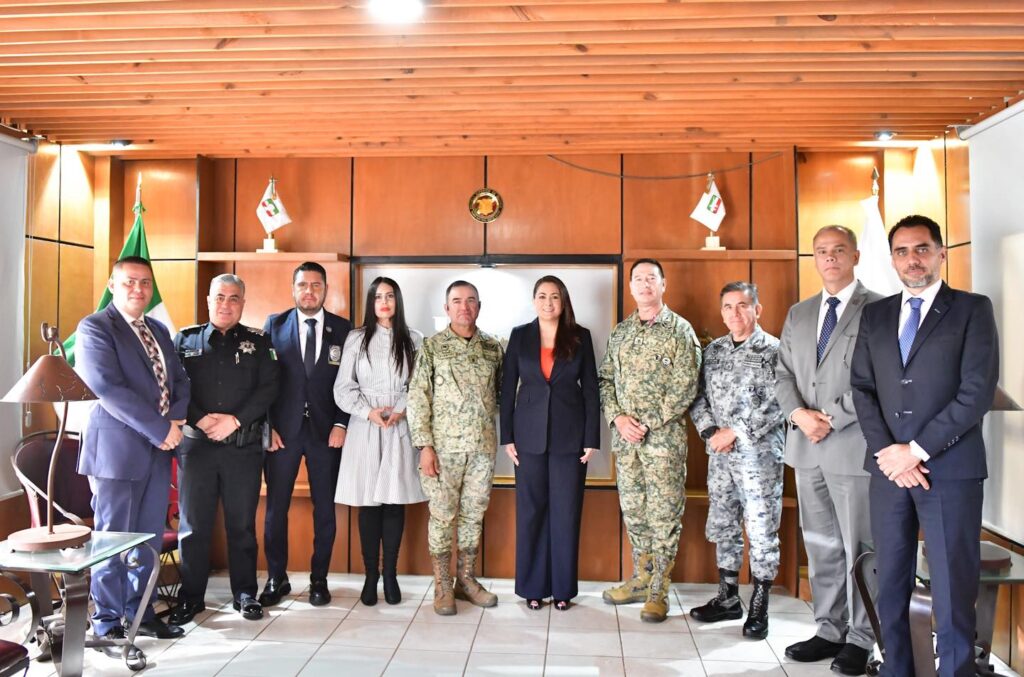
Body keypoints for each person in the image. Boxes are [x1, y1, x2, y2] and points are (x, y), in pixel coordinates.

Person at [852, 215, 999, 677]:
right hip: (888, 472)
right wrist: (889, 453)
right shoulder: (875, 315)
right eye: (901, 251)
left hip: (950, 470)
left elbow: (976, 392)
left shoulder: (972, 309)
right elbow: (862, 389)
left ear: (941, 254)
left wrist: (914, 450)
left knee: (953, 587)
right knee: (891, 582)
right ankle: (897, 669)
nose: (911, 259)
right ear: (892, 259)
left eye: (921, 249)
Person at [775, 225, 882, 674]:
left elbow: (878, 377)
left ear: (855, 255)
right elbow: (782, 373)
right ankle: (829, 629)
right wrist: (799, 415)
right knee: (820, 544)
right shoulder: (799, 313)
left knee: (860, 546)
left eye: (839, 250)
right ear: (814, 258)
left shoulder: (879, 308)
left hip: (852, 446)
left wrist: (830, 418)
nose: (830, 258)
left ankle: (862, 637)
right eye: (822, 251)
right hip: (806, 447)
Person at [76, 256, 190, 651]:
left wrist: (174, 422)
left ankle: (140, 613)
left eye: (145, 282)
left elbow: (179, 380)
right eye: (129, 282)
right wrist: (161, 429)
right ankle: (107, 620)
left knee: (147, 538)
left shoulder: (157, 329)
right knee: (113, 538)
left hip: (159, 451)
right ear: (112, 285)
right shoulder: (95, 327)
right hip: (117, 452)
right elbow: (107, 388)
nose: (138, 289)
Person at [168, 274, 279, 624]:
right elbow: (173, 387)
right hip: (196, 449)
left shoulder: (259, 341)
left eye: (233, 298)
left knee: (241, 525)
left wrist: (235, 421)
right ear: (208, 300)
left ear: (243, 303)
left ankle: (245, 594)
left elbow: (269, 387)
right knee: (193, 527)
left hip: (242, 449)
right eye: (219, 297)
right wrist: (200, 419)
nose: (226, 304)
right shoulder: (184, 340)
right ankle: (191, 598)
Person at [598, 258, 702, 623]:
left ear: (663, 284)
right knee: (635, 511)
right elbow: (605, 380)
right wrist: (618, 418)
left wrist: (646, 423)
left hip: (663, 444)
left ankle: (659, 588)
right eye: (638, 279)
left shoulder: (680, 330)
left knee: (663, 515)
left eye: (651, 278)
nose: (645, 284)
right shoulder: (621, 333)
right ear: (630, 287)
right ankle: (642, 578)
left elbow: (686, 386)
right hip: (626, 443)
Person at [688, 282, 785, 640]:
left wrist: (736, 432)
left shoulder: (775, 350)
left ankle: (759, 605)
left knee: (761, 529)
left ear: (757, 309)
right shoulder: (713, 352)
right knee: (724, 524)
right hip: (720, 457)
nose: (735, 313)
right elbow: (697, 396)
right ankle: (728, 598)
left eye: (743, 305)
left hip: (759, 458)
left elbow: (781, 401)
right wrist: (710, 431)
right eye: (728, 307)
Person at [500, 276, 600, 611]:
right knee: (531, 513)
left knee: (565, 514)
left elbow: (591, 390)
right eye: (542, 296)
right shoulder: (519, 336)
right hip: (527, 439)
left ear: (563, 300)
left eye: (554, 296)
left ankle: (562, 590)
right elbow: (507, 389)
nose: (548, 302)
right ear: (534, 301)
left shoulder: (580, 336)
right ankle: (533, 588)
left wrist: (591, 438)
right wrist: (507, 436)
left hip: (570, 439)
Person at [407, 280, 504, 616]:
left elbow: (504, 395)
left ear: (479, 306)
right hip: (442, 451)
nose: (465, 307)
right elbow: (418, 398)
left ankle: (466, 579)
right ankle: (442, 585)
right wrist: (424, 446)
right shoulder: (432, 348)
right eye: (457, 301)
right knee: (442, 516)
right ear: (446, 308)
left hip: (481, 449)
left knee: (473, 516)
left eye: (471, 300)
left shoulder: (492, 348)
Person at [261, 262, 352, 607]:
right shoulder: (274, 325)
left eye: (316, 285)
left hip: (326, 434)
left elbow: (351, 381)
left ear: (325, 289)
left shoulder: (343, 329)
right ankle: (276, 577)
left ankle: (319, 580)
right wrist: (268, 426)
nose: (309, 291)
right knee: (276, 509)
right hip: (282, 434)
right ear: (293, 289)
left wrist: (341, 423)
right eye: (303, 285)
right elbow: (262, 380)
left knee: (325, 510)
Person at [334, 277, 426, 607]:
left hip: (399, 425)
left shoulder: (414, 338)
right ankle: (370, 575)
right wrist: (367, 412)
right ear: (370, 302)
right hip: (366, 426)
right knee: (368, 502)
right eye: (378, 297)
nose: (384, 302)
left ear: (397, 301)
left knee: (393, 500)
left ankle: (390, 574)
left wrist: (400, 409)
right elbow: (343, 387)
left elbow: (419, 385)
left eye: (390, 296)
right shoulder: (357, 338)